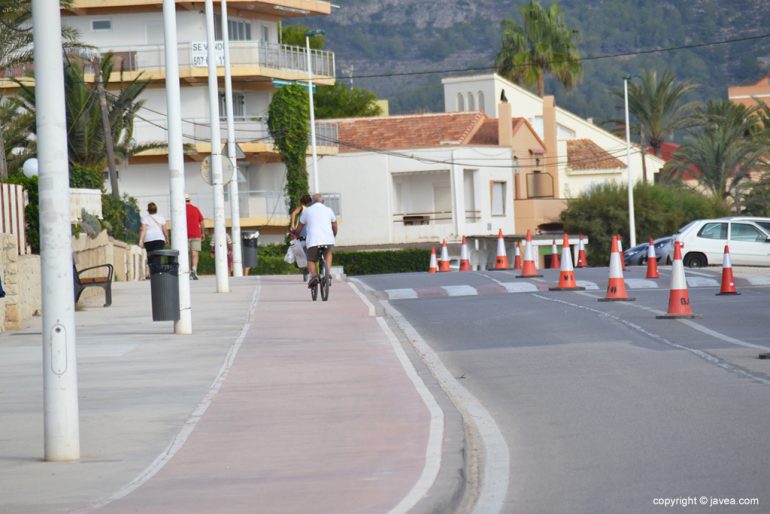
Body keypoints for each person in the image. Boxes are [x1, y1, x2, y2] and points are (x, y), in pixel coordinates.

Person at [295, 193, 337, 288]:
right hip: (328, 239)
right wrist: (334, 234)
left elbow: (300, 227)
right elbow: (334, 225)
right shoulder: (328, 210)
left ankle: (314, 277)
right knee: (328, 254)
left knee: (310, 260)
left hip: (313, 241)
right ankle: (328, 273)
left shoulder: (307, 211)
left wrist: (296, 234)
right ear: (323, 201)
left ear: (312, 202)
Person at [138, 202, 169, 269]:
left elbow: (143, 230)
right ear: (156, 209)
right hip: (159, 239)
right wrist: (167, 238)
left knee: (150, 255)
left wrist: (141, 240)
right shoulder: (161, 218)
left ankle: (152, 271)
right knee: (157, 255)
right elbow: (165, 230)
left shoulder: (145, 219)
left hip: (148, 240)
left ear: (148, 210)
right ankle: (157, 272)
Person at [185, 194, 205, 280]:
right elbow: (202, 222)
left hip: (184, 236)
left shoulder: (180, 210)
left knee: (187, 254)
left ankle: (188, 271)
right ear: (190, 200)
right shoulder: (195, 209)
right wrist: (203, 233)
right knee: (195, 253)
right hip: (196, 234)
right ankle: (194, 270)